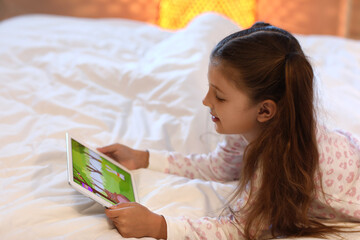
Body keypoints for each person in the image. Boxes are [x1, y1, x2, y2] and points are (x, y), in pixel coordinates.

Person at [97, 22, 360, 239]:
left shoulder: (276, 160)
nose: (205, 101)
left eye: (220, 97)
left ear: (265, 111)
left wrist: (158, 226)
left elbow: (240, 229)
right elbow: (219, 168)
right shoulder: (252, 130)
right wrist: (143, 158)